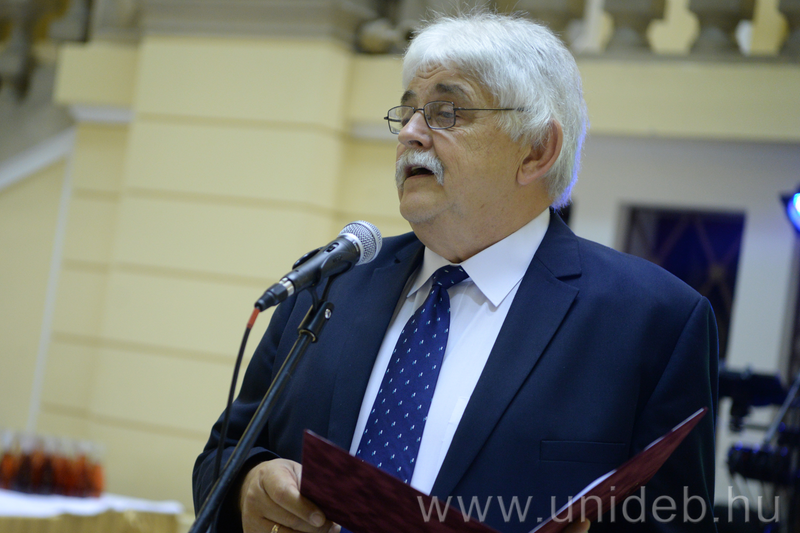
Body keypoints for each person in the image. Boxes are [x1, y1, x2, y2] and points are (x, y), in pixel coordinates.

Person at [193, 11, 718, 533]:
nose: (411, 134)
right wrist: (248, 485)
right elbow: (224, 453)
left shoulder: (653, 321)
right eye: (407, 113)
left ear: (536, 150)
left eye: (446, 113)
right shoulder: (331, 282)